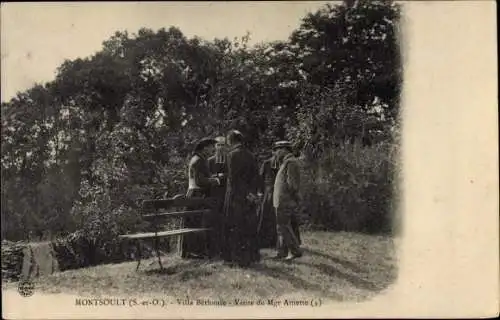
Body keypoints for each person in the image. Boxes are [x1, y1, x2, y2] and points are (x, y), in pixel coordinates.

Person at [222, 130, 261, 267]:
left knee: (233, 226)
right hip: (248, 196)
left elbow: (232, 179)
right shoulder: (251, 155)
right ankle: (250, 256)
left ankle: (235, 258)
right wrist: (252, 194)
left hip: (235, 196)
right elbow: (256, 177)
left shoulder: (231, 155)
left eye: (227, 139)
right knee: (247, 227)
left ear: (231, 140)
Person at [180, 138, 220, 259]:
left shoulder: (198, 159)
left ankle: (192, 252)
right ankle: (194, 252)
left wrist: (212, 177)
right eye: (212, 147)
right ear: (205, 148)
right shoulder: (199, 161)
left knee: (193, 223)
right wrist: (215, 180)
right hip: (197, 195)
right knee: (196, 223)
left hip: (194, 193)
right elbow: (200, 181)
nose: (213, 149)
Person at [273, 143, 303, 260]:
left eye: (278, 150)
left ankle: (295, 251)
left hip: (285, 200)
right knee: (281, 227)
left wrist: (292, 198)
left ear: (284, 150)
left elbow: (293, 185)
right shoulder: (286, 162)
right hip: (281, 200)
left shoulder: (291, 162)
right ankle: (282, 253)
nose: (276, 153)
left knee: (284, 226)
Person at [206, 136, 227, 258]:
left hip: (226, 194)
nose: (220, 147)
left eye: (223, 145)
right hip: (214, 194)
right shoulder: (210, 161)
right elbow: (207, 176)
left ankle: (225, 249)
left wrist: (224, 176)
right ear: (215, 147)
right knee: (214, 222)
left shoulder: (229, 159)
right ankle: (214, 249)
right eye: (218, 145)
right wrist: (218, 175)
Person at [256, 150, 278, 249]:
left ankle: (277, 242)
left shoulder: (283, 163)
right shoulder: (266, 163)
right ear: (273, 152)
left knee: (277, 217)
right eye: (276, 151)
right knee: (265, 215)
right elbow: (260, 178)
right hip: (267, 192)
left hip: (279, 192)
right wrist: (260, 191)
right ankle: (263, 241)